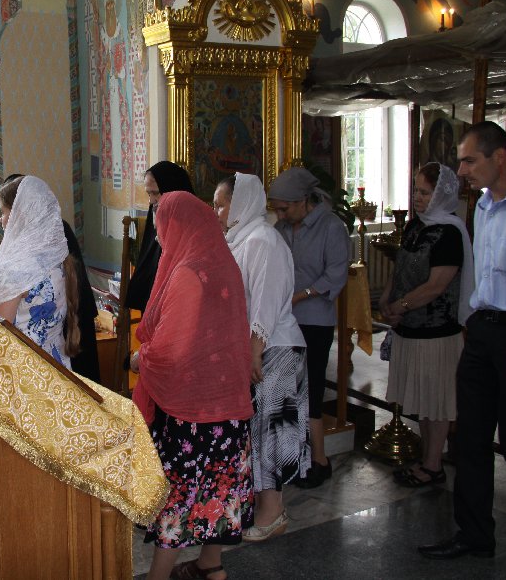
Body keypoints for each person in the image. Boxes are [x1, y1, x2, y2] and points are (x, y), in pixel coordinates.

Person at [419, 122, 506, 563]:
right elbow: (483, 275)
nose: (461, 171)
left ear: (499, 157)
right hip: (483, 331)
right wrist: (471, 323)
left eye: (468, 161)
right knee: (470, 439)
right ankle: (475, 533)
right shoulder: (482, 206)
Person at [130, 190, 253, 580]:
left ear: (179, 226)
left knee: (178, 498)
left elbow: (173, 349)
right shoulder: (224, 263)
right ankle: (211, 566)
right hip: (229, 403)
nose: (159, 235)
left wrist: (141, 359)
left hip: (193, 412)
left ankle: (157, 576)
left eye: (161, 226)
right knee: (220, 488)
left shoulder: (187, 272)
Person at [214, 173, 309, 542]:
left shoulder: (262, 240)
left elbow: (266, 303)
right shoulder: (240, 240)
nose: (217, 212)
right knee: (257, 431)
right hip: (256, 350)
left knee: (272, 432)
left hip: (274, 349)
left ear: (241, 203)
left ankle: (273, 513)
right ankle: (260, 506)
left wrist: (255, 352)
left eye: (222, 204)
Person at [379, 162, 472, 487]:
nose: (417, 197)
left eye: (425, 192)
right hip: (410, 327)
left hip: (437, 332)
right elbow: (400, 266)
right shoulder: (416, 225)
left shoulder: (449, 233)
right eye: (416, 191)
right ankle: (427, 458)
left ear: (441, 195)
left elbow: (436, 286)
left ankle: (433, 464)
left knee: (437, 400)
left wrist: (400, 306)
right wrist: (387, 298)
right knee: (423, 399)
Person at [268, 167, 350, 488]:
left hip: (315, 319)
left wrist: (301, 295)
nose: (280, 215)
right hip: (286, 321)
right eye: (277, 209)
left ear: (303, 201)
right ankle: (294, 457)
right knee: (288, 390)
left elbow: (335, 274)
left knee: (312, 388)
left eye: (284, 208)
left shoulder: (331, 227)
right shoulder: (282, 228)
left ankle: (320, 459)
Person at [3, 173, 100, 383]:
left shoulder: (52, 235)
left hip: (63, 327)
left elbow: (0, 325)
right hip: (55, 345)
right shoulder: (50, 243)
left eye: (4, 211)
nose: (1, 219)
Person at [0, 176, 80, 368]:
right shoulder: (58, 261)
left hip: (25, 370)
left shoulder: (16, 269)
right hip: (56, 365)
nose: (1, 220)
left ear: (19, 215)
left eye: (3, 212)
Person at [125, 161, 194, 313]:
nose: (151, 201)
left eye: (155, 193)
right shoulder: (155, 216)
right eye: (148, 194)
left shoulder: (193, 229)